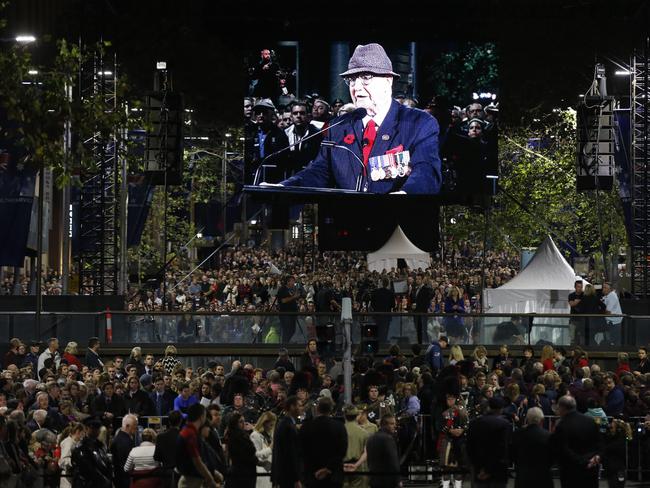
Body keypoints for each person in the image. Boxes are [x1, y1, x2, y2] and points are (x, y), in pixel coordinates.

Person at [269, 43, 441, 195]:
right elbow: (319, 172)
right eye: (351, 79)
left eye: (366, 78)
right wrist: (282, 188)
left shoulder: (419, 123)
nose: (356, 87)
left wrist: (405, 194)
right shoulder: (338, 126)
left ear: (388, 81)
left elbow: (426, 170)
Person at [550, 395, 601, 488]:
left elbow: (562, 449)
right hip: (591, 468)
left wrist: (581, 461)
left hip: (571, 470)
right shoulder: (590, 421)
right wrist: (596, 457)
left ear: (562, 407)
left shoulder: (561, 425)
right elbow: (599, 443)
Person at [299, 397, 348, 488]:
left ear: (317, 408)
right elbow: (342, 451)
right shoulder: (339, 427)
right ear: (331, 409)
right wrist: (328, 469)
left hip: (312, 475)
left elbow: (302, 451)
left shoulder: (306, 427)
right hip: (333, 476)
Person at [466, 397, 511, 488]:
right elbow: (503, 449)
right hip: (497, 471)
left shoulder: (474, 423)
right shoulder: (504, 424)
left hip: (479, 469)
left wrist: (479, 468)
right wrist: (489, 470)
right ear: (501, 409)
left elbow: (469, 447)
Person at [176, 404, 219, 488]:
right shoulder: (189, 434)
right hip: (190, 483)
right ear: (202, 416)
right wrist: (211, 480)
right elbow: (197, 461)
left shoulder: (189, 432)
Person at [510, 407, 553, 488]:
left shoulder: (517, 434)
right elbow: (552, 457)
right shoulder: (548, 436)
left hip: (523, 476)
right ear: (542, 420)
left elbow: (512, 454)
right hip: (543, 476)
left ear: (527, 419)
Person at [271, 396, 303, 488]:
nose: (302, 408)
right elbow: (290, 453)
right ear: (292, 407)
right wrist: (296, 478)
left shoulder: (285, 424)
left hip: (284, 475)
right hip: (288, 477)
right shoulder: (287, 426)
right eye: (299, 406)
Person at [71, 419, 113, 488]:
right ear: (86, 428)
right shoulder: (81, 446)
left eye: (98, 427)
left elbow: (106, 463)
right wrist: (103, 479)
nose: (96, 430)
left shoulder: (100, 445)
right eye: (93, 428)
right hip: (87, 483)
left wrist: (108, 478)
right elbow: (87, 467)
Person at [365, 414, 401, 488]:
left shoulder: (371, 438)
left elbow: (369, 460)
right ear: (384, 425)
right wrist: (398, 480)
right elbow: (393, 461)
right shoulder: (388, 439)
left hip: (373, 479)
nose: (395, 426)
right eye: (392, 424)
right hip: (387, 481)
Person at [224, 412, 257, 488]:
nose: (243, 424)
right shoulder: (236, 437)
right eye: (241, 421)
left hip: (244, 472)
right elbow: (247, 454)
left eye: (244, 421)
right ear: (235, 423)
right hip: (241, 474)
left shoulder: (242, 435)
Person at [341, 404, 370, 488]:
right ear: (357, 416)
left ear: (344, 415)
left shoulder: (338, 431)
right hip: (358, 468)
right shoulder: (364, 433)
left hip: (342, 467)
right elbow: (366, 452)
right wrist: (356, 465)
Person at [111, 414, 138, 488]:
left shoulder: (118, 438)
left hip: (119, 478)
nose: (136, 427)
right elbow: (127, 463)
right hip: (125, 480)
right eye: (135, 425)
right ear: (127, 426)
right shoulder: (125, 442)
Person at [250, 411, 276, 488]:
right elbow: (256, 455)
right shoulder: (255, 435)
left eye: (273, 422)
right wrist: (270, 449)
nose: (272, 424)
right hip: (260, 472)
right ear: (264, 422)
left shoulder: (270, 436)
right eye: (270, 422)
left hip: (270, 471)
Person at [58, 422, 85, 488]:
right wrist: (74, 465)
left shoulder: (75, 443)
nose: (84, 435)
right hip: (67, 477)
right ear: (78, 431)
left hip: (73, 477)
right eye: (83, 432)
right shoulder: (68, 442)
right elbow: (64, 460)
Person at [370, 278, 395, 344]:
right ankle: (383, 345)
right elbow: (393, 305)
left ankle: (376, 346)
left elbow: (372, 304)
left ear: (381, 283)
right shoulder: (390, 293)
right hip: (386, 316)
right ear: (388, 284)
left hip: (376, 316)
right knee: (385, 332)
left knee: (377, 331)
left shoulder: (375, 292)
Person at [277, 275, 300, 343]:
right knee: (286, 330)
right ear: (288, 282)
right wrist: (294, 297)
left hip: (292, 314)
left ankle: (287, 343)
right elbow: (283, 300)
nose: (294, 283)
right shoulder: (282, 289)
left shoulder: (291, 289)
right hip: (285, 314)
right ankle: (284, 345)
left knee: (292, 330)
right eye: (292, 281)